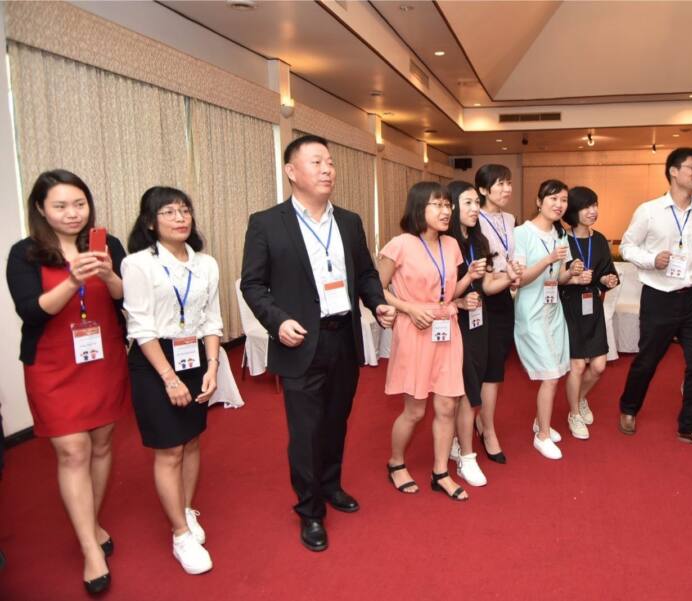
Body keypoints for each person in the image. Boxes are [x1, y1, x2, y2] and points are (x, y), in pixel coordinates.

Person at [241, 135, 394, 552]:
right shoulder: (267, 223)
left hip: (343, 337)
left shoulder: (349, 221)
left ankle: (330, 485)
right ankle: (309, 511)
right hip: (300, 341)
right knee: (306, 431)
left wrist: (377, 303)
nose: (327, 169)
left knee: (336, 421)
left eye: (330, 162)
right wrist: (278, 321)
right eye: (316, 162)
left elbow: (365, 274)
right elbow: (253, 285)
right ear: (291, 171)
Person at [6, 170, 129, 594]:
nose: (72, 213)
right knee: (73, 449)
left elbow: (126, 297)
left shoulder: (107, 244)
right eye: (60, 206)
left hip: (103, 358)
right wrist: (74, 280)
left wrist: (108, 274)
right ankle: (90, 548)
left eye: (79, 204)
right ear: (41, 210)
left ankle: (91, 521)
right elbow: (31, 311)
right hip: (52, 364)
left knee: (102, 443)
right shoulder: (25, 253)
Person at [122, 186, 222, 574]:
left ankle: (186, 508)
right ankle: (180, 535)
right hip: (154, 361)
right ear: (150, 222)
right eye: (169, 212)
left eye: (185, 210)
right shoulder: (137, 264)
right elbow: (140, 327)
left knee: (192, 439)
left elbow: (211, 319)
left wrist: (212, 366)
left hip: (194, 355)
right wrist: (168, 378)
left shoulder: (206, 264)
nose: (180, 218)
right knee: (169, 449)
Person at [618, 148, 692, 452]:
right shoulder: (649, 210)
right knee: (647, 360)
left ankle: (690, 426)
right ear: (673, 171)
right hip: (659, 297)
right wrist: (652, 259)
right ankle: (629, 407)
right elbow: (627, 247)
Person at [379, 181, 471, 500]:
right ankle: (396, 462)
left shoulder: (452, 245)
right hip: (415, 328)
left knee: (448, 404)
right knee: (415, 410)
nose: (446, 211)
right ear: (420, 207)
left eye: (448, 205)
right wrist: (407, 308)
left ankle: (440, 472)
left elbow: (449, 290)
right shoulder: (400, 244)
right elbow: (377, 289)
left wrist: (463, 294)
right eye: (438, 205)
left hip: (447, 326)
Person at [446, 180, 513, 486]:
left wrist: (511, 278)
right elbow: (438, 292)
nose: (475, 209)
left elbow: (486, 286)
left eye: (476, 202)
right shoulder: (445, 243)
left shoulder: (479, 240)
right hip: (453, 321)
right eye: (468, 203)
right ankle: (467, 455)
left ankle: (461, 443)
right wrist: (459, 300)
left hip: (479, 320)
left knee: (474, 384)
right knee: (466, 389)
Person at [513, 179, 583, 460]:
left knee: (556, 371)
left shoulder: (560, 234)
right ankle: (542, 436)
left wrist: (571, 272)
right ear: (539, 202)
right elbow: (519, 278)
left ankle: (540, 422)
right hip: (530, 312)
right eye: (553, 198)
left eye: (563, 200)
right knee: (551, 375)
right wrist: (548, 259)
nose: (559, 204)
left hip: (553, 311)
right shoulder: (522, 233)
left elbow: (559, 277)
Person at [560, 186, 618, 440]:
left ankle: (580, 398)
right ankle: (574, 413)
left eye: (594, 205)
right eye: (586, 206)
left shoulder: (600, 239)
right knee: (576, 365)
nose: (592, 211)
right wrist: (572, 277)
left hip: (592, 306)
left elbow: (607, 272)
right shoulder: (562, 240)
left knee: (598, 366)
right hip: (569, 307)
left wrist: (607, 280)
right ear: (573, 210)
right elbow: (554, 279)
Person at [475, 164, 523, 464]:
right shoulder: (473, 219)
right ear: (483, 190)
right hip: (479, 297)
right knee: (476, 366)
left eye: (508, 183)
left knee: (496, 365)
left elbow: (510, 253)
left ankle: (486, 425)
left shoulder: (509, 218)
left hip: (503, 296)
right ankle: (469, 426)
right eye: (500, 184)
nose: (507, 189)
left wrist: (513, 272)